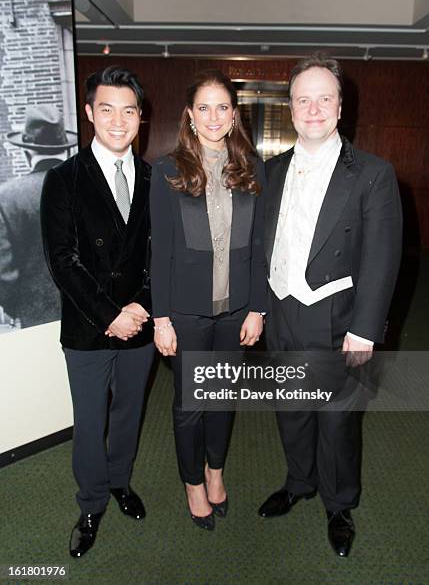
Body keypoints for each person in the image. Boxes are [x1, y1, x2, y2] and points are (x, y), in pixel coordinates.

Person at [258, 54, 402, 557]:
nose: (313, 108)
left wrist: (364, 330)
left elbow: (383, 258)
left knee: (337, 418)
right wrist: (260, 306)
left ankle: (339, 503)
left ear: (340, 107)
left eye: (324, 98)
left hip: (336, 316)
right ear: (291, 108)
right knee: (291, 409)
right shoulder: (271, 171)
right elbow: (264, 245)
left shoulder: (373, 174)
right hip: (281, 310)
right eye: (303, 99)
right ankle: (299, 481)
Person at [40, 66, 154, 558]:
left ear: (140, 117)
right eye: (106, 109)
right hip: (89, 324)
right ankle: (91, 504)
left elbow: (162, 255)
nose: (117, 120)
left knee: (129, 413)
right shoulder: (62, 179)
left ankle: (119, 482)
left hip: (141, 321)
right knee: (90, 422)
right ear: (89, 113)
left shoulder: (156, 178)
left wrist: (142, 307)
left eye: (128, 110)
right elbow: (62, 261)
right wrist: (111, 313)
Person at [150, 69, 267, 530]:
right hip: (187, 313)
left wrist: (257, 308)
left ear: (234, 115)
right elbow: (160, 253)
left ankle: (215, 471)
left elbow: (259, 247)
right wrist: (161, 318)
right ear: (190, 116)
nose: (214, 116)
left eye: (223, 107)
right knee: (191, 403)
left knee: (222, 397)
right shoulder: (167, 170)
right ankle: (192, 483)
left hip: (236, 311)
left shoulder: (252, 170)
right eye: (204, 107)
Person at [0, 105, 77, 328]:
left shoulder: (7, 198)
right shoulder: (91, 189)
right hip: (92, 317)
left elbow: (4, 273)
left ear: (26, 153)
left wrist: (18, 308)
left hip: (35, 318)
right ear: (67, 151)